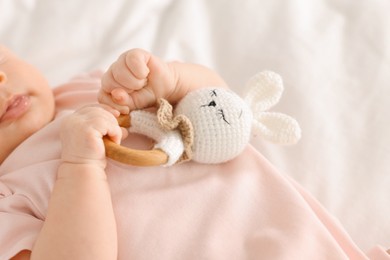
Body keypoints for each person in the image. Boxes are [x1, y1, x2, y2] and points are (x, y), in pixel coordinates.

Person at [1, 45, 389, 260]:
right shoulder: (6, 201)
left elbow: (222, 110)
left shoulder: (94, 88)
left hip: (302, 238)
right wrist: (79, 165)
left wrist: (172, 81)